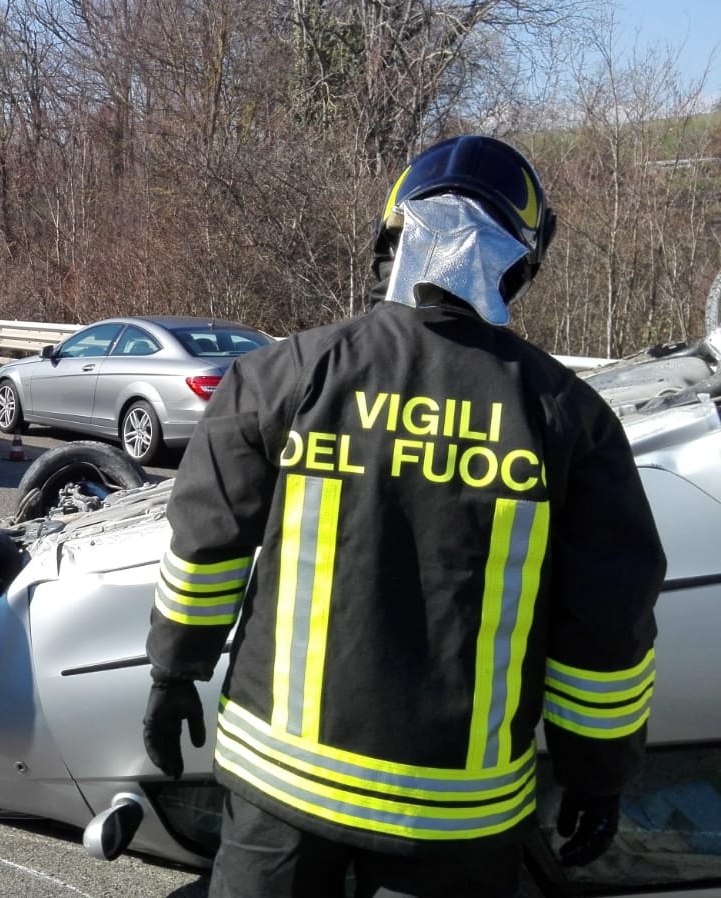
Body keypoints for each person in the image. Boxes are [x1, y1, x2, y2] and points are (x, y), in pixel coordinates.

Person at [141, 135, 665, 897]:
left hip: (280, 790)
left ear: (392, 240)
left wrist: (173, 669)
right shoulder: (567, 418)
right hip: (458, 815)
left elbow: (205, 547)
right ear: (521, 263)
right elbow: (607, 629)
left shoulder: (285, 376)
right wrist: (600, 774)